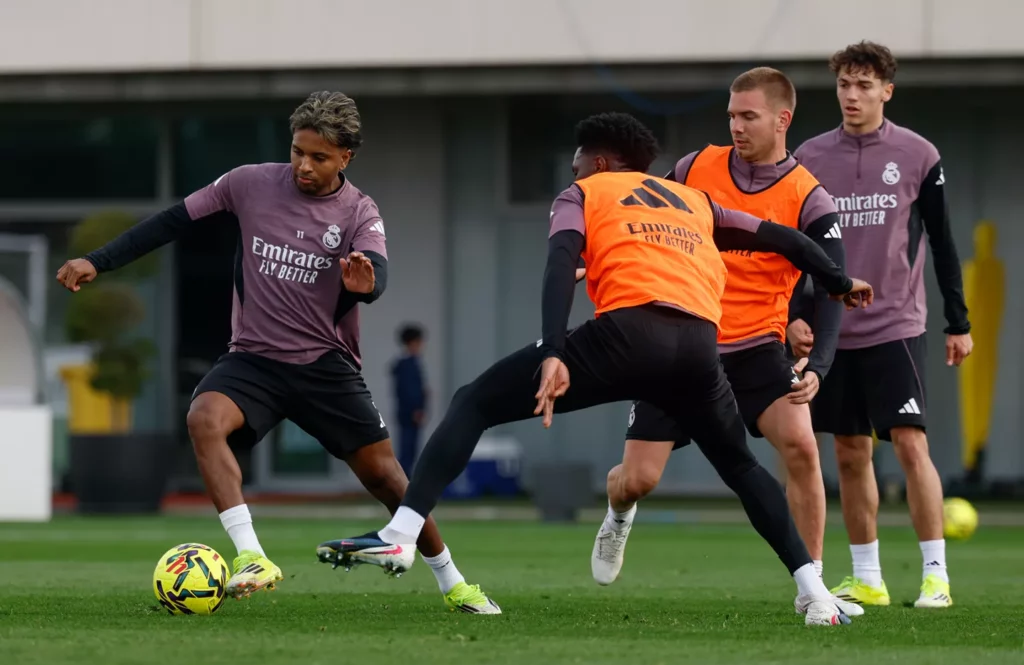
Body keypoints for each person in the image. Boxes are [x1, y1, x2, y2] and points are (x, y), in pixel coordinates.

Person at [317, 111, 874, 626]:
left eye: (579, 156)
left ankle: (402, 530)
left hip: (627, 336)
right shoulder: (691, 200)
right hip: (701, 345)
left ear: (601, 162)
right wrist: (838, 282)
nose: (574, 166)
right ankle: (816, 595)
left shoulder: (583, 191)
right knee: (741, 467)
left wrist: (555, 349)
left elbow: (560, 261)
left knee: (474, 400)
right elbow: (784, 239)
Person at [55, 91, 500, 615]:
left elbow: (376, 273)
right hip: (253, 358)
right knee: (203, 418)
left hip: (324, 365)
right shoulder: (248, 183)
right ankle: (252, 557)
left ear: (345, 158)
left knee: (388, 479)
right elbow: (173, 221)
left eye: (318, 157)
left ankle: (454, 584)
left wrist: (365, 284)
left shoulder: (359, 211)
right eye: (297, 152)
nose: (304, 166)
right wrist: (98, 261)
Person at [588, 67, 860, 617]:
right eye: (732, 115)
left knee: (803, 449)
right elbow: (640, 214)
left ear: (783, 120)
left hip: (760, 347)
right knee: (637, 480)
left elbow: (835, 287)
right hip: (686, 340)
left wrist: (819, 365)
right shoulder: (693, 168)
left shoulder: (811, 198)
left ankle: (814, 588)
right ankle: (618, 516)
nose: (736, 126)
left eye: (749, 116)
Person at [794, 41, 972, 609]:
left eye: (864, 85)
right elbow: (794, 248)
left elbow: (942, 244)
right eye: (845, 85)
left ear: (886, 91)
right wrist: (794, 317)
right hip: (830, 327)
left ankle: (936, 577)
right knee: (848, 450)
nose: (852, 95)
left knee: (910, 445)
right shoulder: (810, 156)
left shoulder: (918, 154)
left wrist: (958, 322)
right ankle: (867, 576)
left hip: (897, 323)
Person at [391, 323, 429, 476]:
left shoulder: (408, 363)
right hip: (410, 415)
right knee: (408, 451)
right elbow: (409, 391)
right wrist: (416, 409)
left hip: (408, 414)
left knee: (410, 451)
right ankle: (403, 484)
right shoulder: (407, 364)